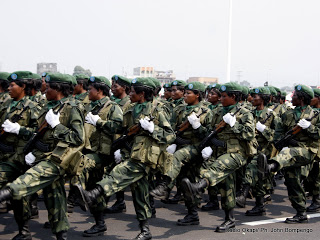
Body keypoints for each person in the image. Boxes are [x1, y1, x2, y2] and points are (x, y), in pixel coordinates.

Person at [75, 77, 175, 240]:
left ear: (143, 93)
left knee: (119, 173)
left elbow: (170, 135)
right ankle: (145, 230)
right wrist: (101, 125)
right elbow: (121, 130)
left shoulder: (157, 109)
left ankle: (93, 193)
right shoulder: (131, 108)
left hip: (147, 157)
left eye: (134, 92)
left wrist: (152, 129)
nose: (130, 94)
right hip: (132, 153)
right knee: (139, 194)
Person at [0, 72, 85, 240]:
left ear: (58, 89)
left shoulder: (71, 107)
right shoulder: (48, 106)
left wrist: (58, 125)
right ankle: (57, 235)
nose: (44, 89)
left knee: (37, 191)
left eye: (49, 86)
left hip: (57, 159)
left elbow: (78, 138)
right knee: (55, 199)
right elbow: (39, 134)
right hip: (40, 156)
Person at [180, 82, 256, 232]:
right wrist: (199, 130)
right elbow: (209, 131)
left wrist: (234, 124)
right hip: (218, 151)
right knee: (226, 186)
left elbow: (249, 134)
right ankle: (229, 219)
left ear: (233, 97)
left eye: (224, 96)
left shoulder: (245, 112)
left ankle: (200, 186)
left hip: (237, 153)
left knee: (218, 167)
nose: (220, 99)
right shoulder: (217, 111)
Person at [257, 84, 320, 223]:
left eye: (295, 95)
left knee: (290, 153)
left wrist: (310, 128)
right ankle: (301, 213)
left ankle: (270, 167)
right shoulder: (288, 114)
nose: (292, 97)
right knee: (292, 181)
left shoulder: (315, 115)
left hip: (308, 151)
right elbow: (278, 134)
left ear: (302, 98)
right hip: (290, 153)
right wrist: (281, 142)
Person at [0, 71, 39, 239]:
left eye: (12, 85)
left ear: (23, 87)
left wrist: (20, 130)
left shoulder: (32, 107)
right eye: (8, 85)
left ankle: (24, 230)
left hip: (19, 157)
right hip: (4, 153)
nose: (9, 88)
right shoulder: (5, 103)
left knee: (19, 196)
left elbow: (38, 133)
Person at [236, 87, 279, 216]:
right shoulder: (249, 113)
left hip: (264, 151)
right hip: (249, 149)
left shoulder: (272, 115)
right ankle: (259, 206)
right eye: (252, 96)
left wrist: (264, 129)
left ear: (263, 99)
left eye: (256, 97)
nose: (252, 99)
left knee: (252, 168)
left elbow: (277, 136)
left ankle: (243, 194)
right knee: (259, 180)